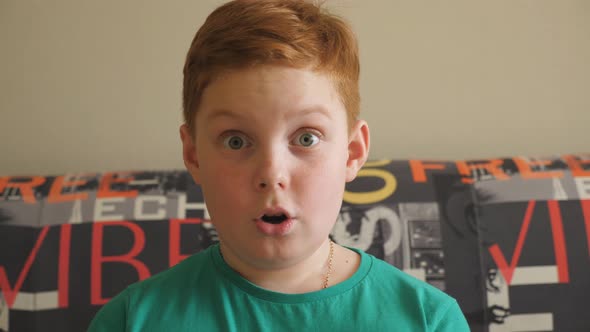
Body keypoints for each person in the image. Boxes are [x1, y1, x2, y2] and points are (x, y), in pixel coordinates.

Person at [88, 0, 469, 330]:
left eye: (306, 138)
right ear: (194, 155)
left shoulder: (427, 319)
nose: (271, 173)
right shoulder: (131, 320)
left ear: (352, 152)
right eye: (236, 141)